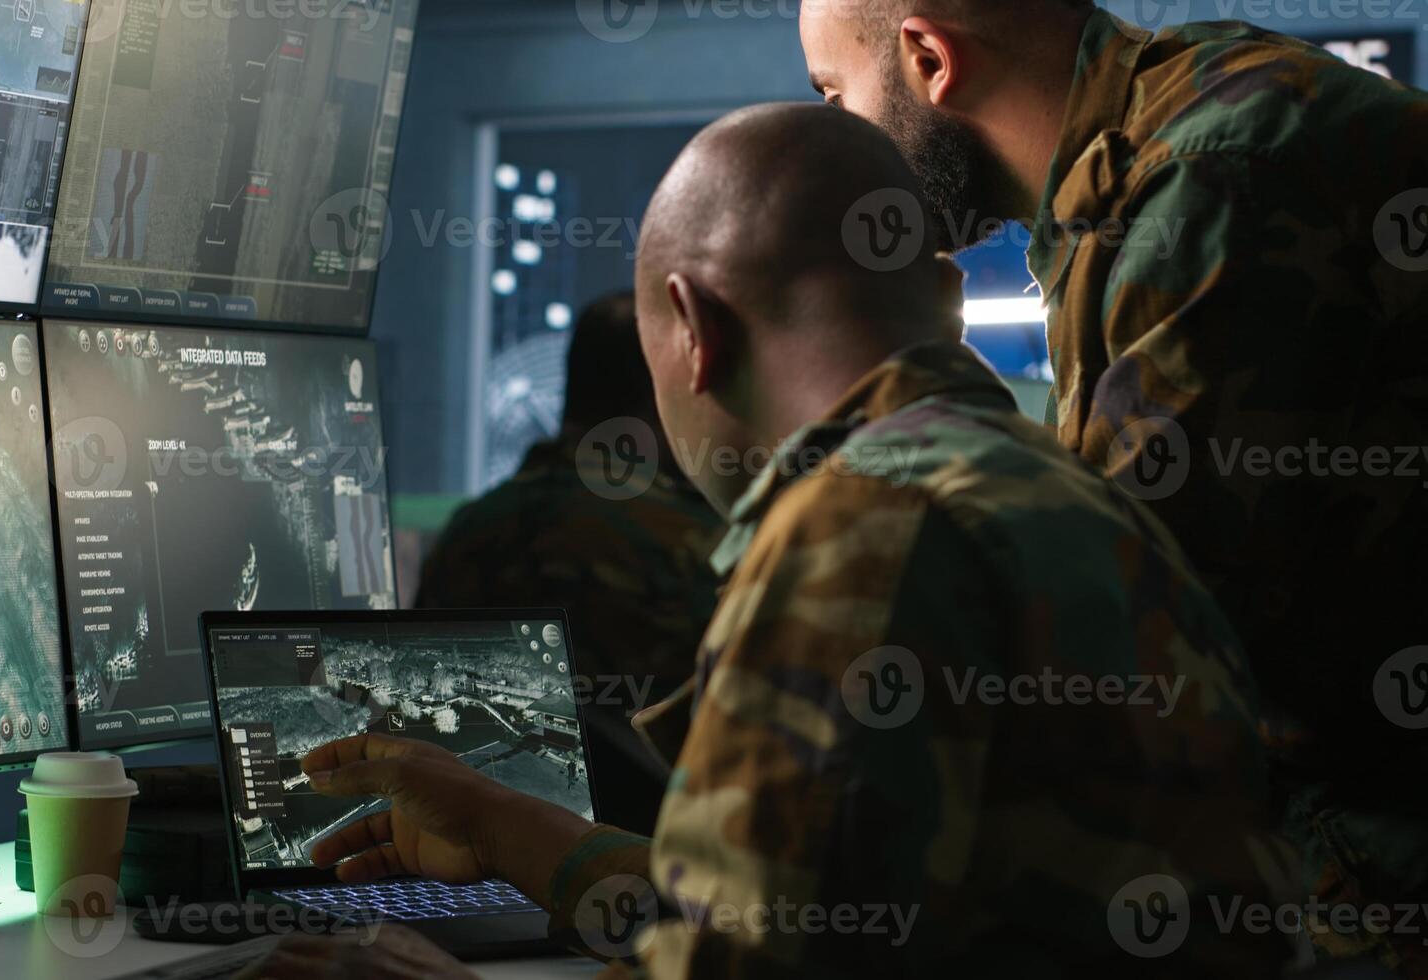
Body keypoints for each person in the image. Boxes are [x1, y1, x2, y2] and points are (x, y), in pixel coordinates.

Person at [240, 104, 1291, 979]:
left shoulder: (863, 530)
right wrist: (505, 822)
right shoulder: (1054, 491)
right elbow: (807, 911)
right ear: (946, 299)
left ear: (695, 330)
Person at [799, 3, 1428, 967]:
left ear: (928, 57)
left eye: (833, 94)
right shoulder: (1133, 171)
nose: (836, 143)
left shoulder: (1211, 172)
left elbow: (1123, 650)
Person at [416, 291, 724, 835]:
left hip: (472, 861)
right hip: (657, 875)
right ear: (667, 387)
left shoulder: (469, 532)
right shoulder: (695, 543)